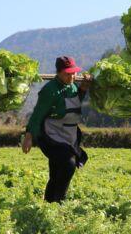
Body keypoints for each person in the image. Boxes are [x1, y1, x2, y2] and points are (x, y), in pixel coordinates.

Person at [21, 56, 92, 203]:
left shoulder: (72, 86)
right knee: (68, 164)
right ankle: (59, 201)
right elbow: (37, 114)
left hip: (67, 134)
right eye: (67, 73)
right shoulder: (50, 90)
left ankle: (49, 203)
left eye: (73, 73)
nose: (71, 76)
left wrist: (83, 89)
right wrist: (28, 137)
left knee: (56, 171)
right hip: (50, 136)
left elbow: (75, 103)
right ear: (58, 73)